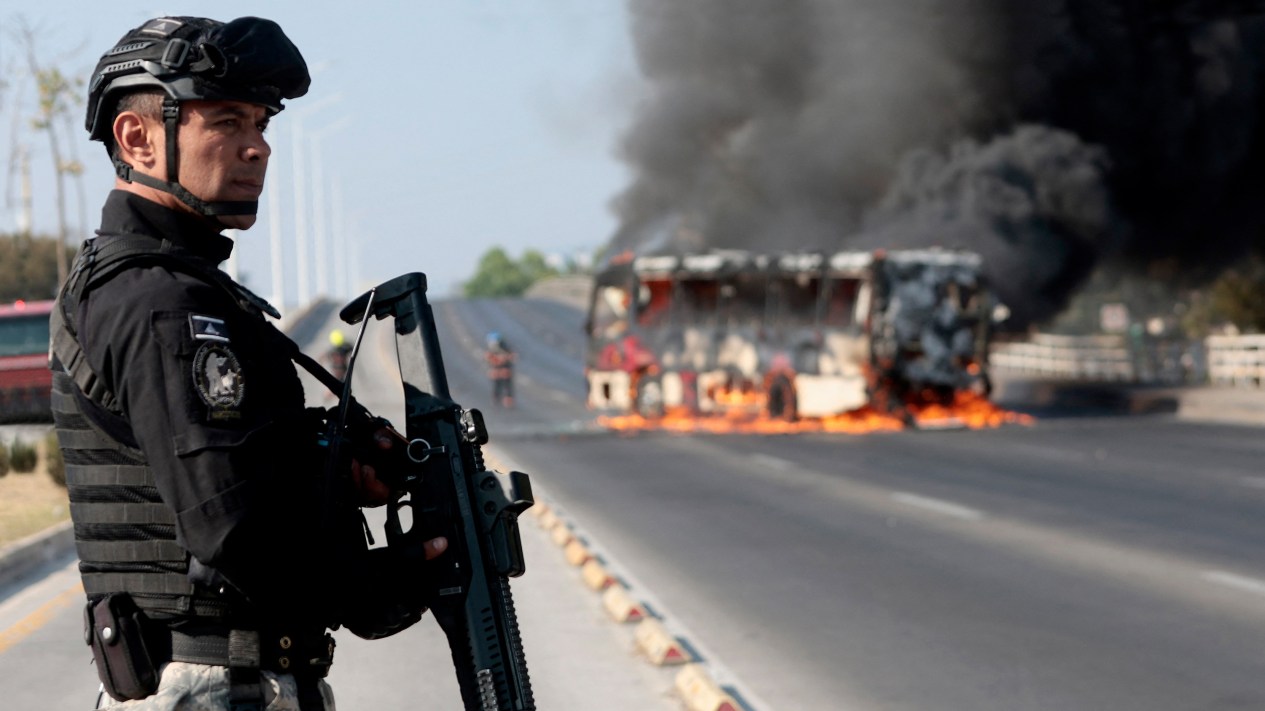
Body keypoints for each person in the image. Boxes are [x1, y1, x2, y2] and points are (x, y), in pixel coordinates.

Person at [48, 16, 445, 711]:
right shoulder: (161, 302)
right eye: (226, 121)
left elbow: (234, 468)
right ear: (137, 138)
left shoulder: (184, 287)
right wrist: (379, 584)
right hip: (214, 688)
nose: (257, 148)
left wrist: (332, 464)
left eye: (261, 124)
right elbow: (231, 528)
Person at [485, 332, 516, 408]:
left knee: (507, 385)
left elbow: (512, 357)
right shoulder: (491, 350)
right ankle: (496, 399)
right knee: (497, 384)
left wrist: (504, 358)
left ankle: (508, 400)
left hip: (505, 369)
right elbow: (488, 358)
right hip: (497, 369)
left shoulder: (505, 347)